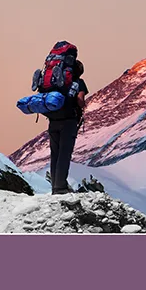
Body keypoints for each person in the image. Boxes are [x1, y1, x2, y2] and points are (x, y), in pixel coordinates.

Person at [47, 59, 89, 194]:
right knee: (64, 155)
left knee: (55, 154)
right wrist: (82, 105)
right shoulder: (79, 83)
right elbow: (80, 99)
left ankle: (55, 187)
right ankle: (60, 188)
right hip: (69, 122)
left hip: (53, 121)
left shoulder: (57, 82)